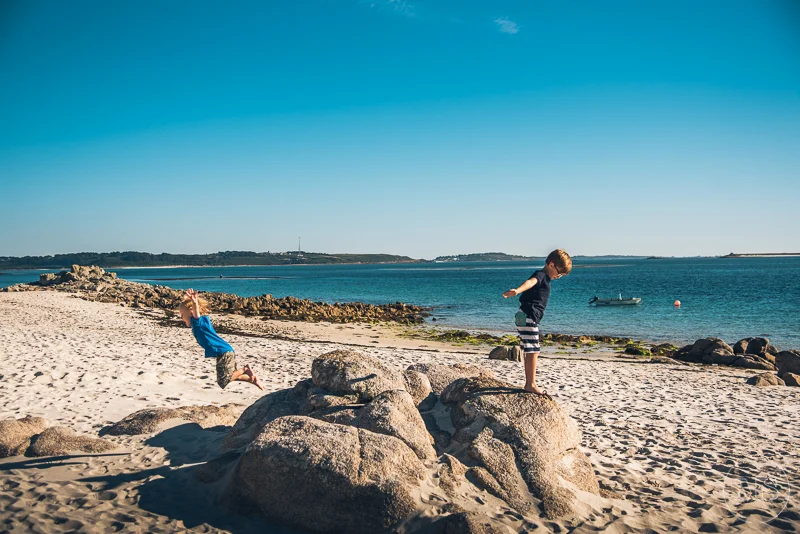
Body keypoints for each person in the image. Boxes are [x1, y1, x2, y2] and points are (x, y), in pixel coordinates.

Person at [502, 249, 572, 396]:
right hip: (527, 316)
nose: (558, 277)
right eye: (559, 273)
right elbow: (530, 282)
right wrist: (517, 291)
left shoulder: (545, 278)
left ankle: (529, 383)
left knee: (530, 350)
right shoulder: (540, 275)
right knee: (534, 351)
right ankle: (530, 384)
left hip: (523, 315)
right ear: (551, 265)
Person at [179, 289, 264, 391]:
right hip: (222, 352)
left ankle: (245, 369)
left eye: (182, 314)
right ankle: (252, 379)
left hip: (224, 352)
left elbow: (196, 312)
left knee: (223, 381)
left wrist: (194, 302)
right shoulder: (195, 325)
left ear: (190, 312)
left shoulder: (198, 322)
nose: (181, 317)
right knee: (226, 378)